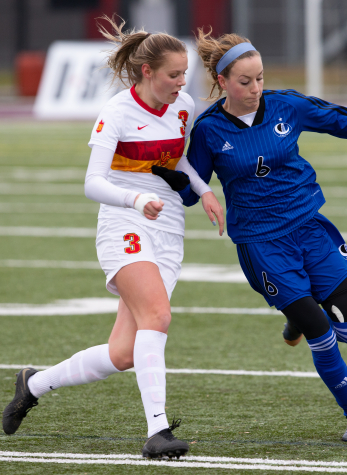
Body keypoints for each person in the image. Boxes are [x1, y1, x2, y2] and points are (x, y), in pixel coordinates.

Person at [181, 29, 347, 443]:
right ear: (222, 82)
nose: (256, 88)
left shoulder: (286, 106)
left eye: (260, 77)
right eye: (246, 82)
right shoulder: (208, 130)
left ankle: (295, 314)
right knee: (323, 334)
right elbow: (191, 190)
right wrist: (172, 182)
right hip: (262, 245)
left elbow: (339, 120)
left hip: (309, 229)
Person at [2, 17, 223, 459]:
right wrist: (135, 201)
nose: (182, 83)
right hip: (124, 225)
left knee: (124, 352)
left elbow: (176, 161)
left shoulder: (183, 108)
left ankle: (34, 383)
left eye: (185, 74)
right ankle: (158, 431)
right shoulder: (117, 113)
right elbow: (92, 182)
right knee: (157, 316)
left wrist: (204, 191)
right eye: (173, 75)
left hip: (168, 228)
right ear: (147, 72)